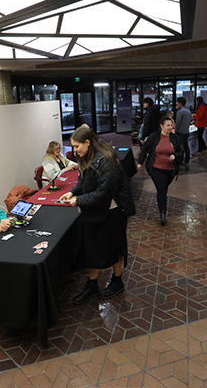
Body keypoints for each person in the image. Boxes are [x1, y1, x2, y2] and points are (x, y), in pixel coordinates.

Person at [60, 125, 135, 305]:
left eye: (77, 146)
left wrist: (78, 201)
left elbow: (103, 193)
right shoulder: (88, 156)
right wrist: (72, 192)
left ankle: (117, 282)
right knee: (93, 249)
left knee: (113, 248)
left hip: (113, 213)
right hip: (98, 212)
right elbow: (82, 181)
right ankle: (92, 284)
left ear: (87, 142)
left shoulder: (106, 159)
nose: (74, 151)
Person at [137, 117, 185, 226]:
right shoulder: (154, 137)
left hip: (170, 170)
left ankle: (162, 207)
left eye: (171, 125)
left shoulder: (175, 138)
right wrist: (140, 162)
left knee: (164, 188)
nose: (170, 127)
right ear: (161, 126)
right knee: (162, 189)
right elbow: (145, 149)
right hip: (156, 168)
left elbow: (181, 151)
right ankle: (163, 213)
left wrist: (175, 155)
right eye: (168, 125)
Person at [173, 97, 192, 169]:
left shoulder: (180, 112)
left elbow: (178, 123)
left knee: (180, 148)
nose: (177, 104)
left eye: (177, 102)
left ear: (180, 103)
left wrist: (176, 131)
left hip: (180, 132)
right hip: (186, 131)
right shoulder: (188, 111)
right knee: (186, 147)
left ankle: (179, 162)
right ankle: (186, 161)